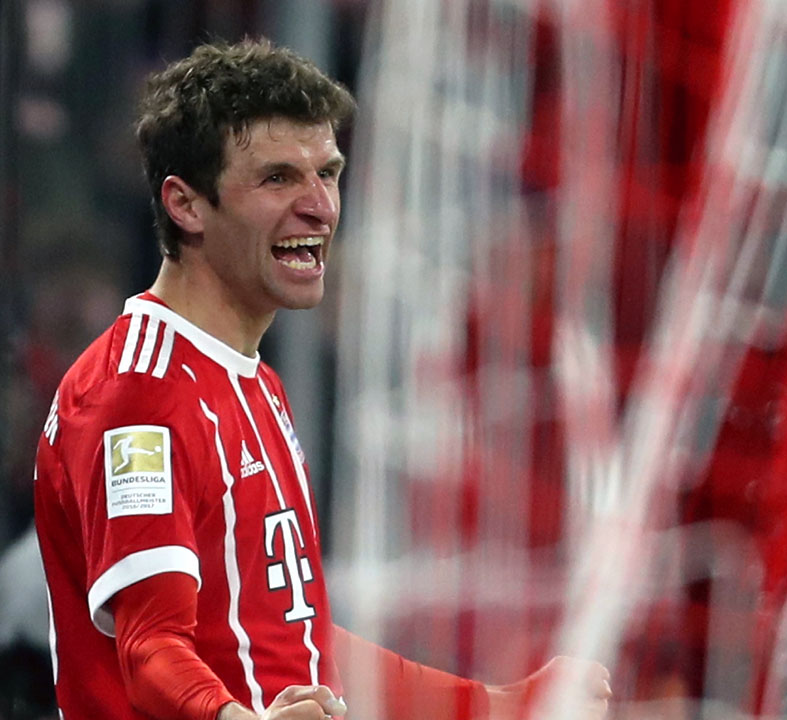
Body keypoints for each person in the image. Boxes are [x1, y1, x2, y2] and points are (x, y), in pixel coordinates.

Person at [33, 38, 611, 720]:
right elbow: (151, 648)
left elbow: (300, 641)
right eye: (278, 178)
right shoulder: (138, 396)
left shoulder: (257, 386)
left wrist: (498, 704)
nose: (320, 207)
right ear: (186, 206)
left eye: (328, 174)